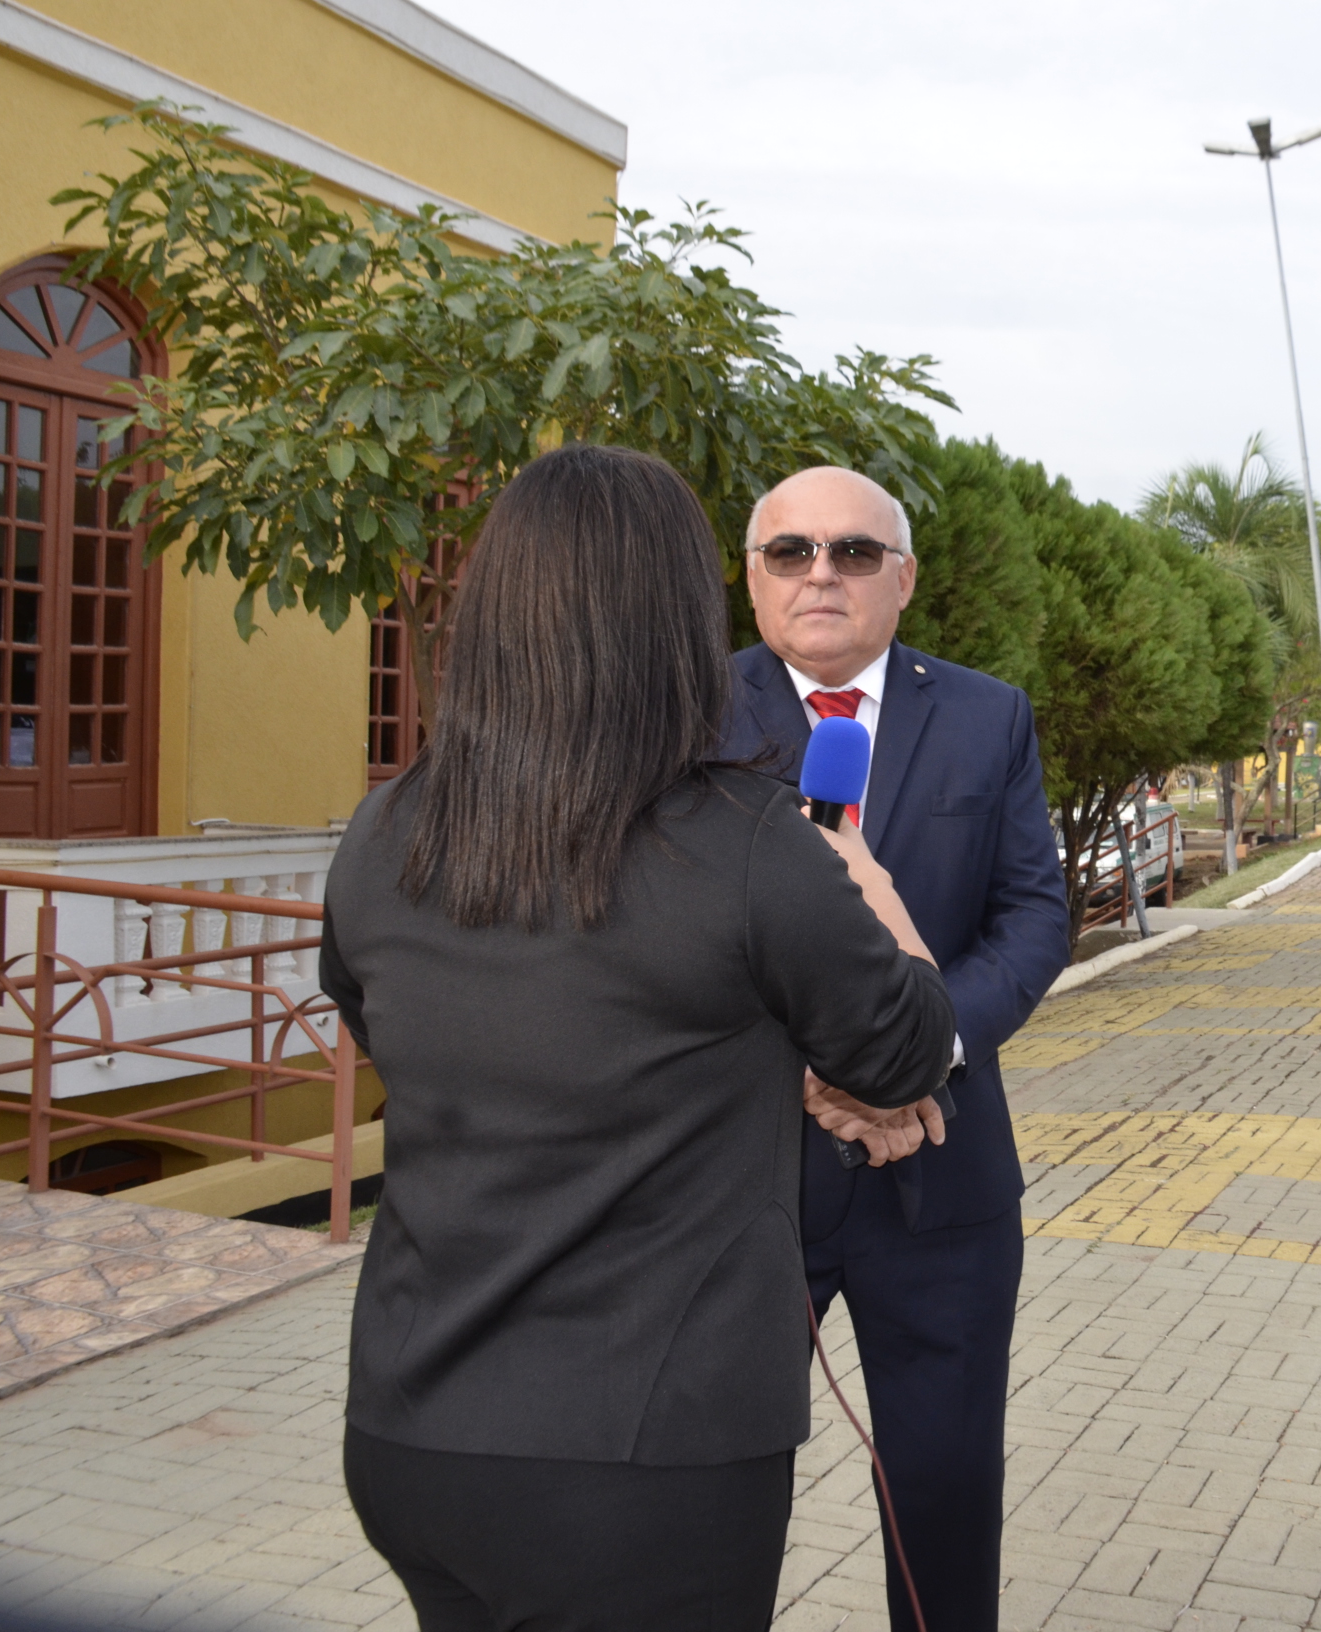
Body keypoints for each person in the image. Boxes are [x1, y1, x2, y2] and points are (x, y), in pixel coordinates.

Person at [321, 444, 957, 1630]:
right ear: (674, 619)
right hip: (645, 1464)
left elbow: (387, 1022)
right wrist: (865, 884)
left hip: (413, 1437)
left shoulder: (386, 827)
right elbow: (906, 1050)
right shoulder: (747, 841)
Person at [719, 465, 1071, 1632]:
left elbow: (1032, 916)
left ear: (903, 579)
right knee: (714, 1484)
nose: (821, 572)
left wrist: (923, 1051)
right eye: (792, 552)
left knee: (946, 1487)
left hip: (943, 1172)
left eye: (855, 553)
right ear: (754, 575)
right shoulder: (682, 715)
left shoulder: (986, 715)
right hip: (743, 1177)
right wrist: (816, 1073)